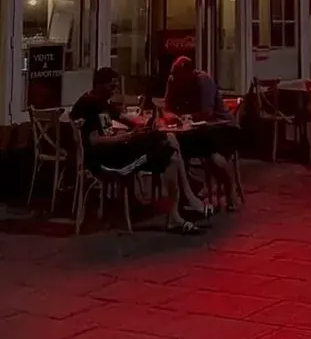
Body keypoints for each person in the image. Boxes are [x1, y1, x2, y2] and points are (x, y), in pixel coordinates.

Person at [71, 67, 211, 233]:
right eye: (111, 87)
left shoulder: (101, 102)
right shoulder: (88, 104)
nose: (114, 91)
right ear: (99, 85)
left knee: (170, 145)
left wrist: (146, 124)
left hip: (118, 151)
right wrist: (125, 137)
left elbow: (126, 120)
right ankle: (185, 206)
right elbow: (94, 141)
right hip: (107, 161)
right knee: (169, 148)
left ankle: (182, 208)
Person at [164, 57, 239, 210]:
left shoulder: (203, 81)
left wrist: (187, 117)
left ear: (189, 73)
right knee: (176, 149)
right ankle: (189, 191)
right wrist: (171, 116)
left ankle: (230, 190)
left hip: (221, 127)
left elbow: (207, 112)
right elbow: (167, 107)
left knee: (214, 156)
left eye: (178, 76)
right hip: (194, 131)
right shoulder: (172, 81)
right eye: (173, 75)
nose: (175, 79)